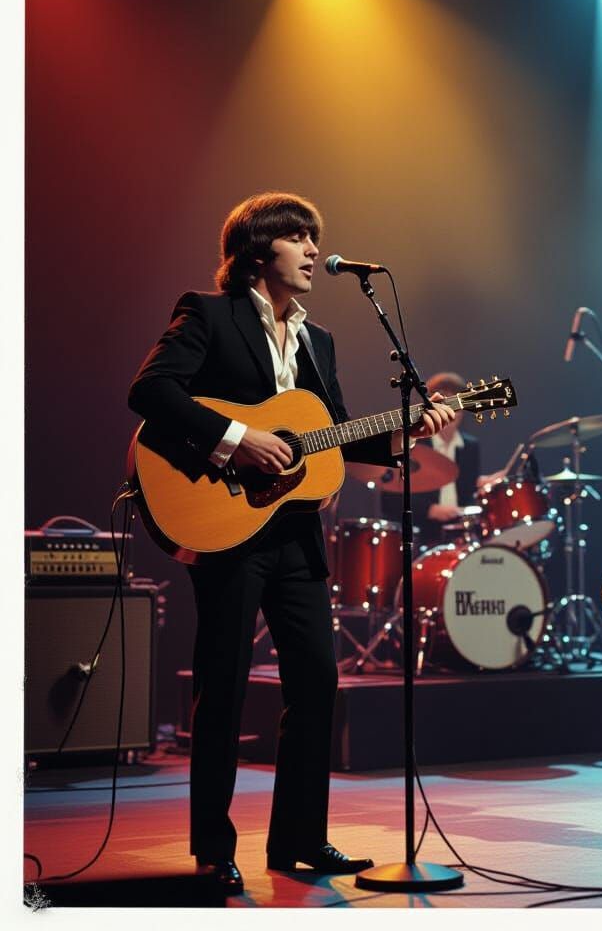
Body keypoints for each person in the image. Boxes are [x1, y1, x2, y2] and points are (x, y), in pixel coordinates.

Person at [128, 191, 455, 894]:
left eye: (316, 237)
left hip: (297, 534)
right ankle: (214, 848)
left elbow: (333, 438)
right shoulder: (207, 314)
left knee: (317, 681)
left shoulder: (319, 340)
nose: (313, 249)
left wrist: (407, 431)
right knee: (223, 688)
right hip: (225, 525)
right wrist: (239, 438)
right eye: (299, 237)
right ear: (257, 248)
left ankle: (300, 838)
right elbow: (151, 392)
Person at [380, 371, 496, 547]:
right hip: (422, 535)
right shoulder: (414, 443)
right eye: (447, 403)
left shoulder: (471, 446)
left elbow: (468, 495)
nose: (453, 411)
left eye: (458, 404)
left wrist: (483, 486)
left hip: (460, 534)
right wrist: (430, 510)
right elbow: (390, 497)